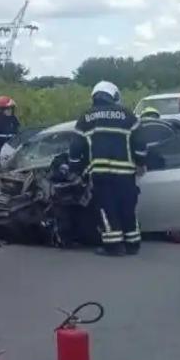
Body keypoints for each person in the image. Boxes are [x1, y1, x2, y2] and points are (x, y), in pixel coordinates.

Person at [69, 81, 146, 256]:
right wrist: (141, 162)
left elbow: (75, 147)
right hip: (126, 174)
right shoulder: (128, 116)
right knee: (127, 207)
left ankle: (114, 246)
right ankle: (133, 244)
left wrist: (74, 168)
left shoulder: (86, 118)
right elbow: (140, 143)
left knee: (107, 208)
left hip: (100, 173)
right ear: (114, 95)